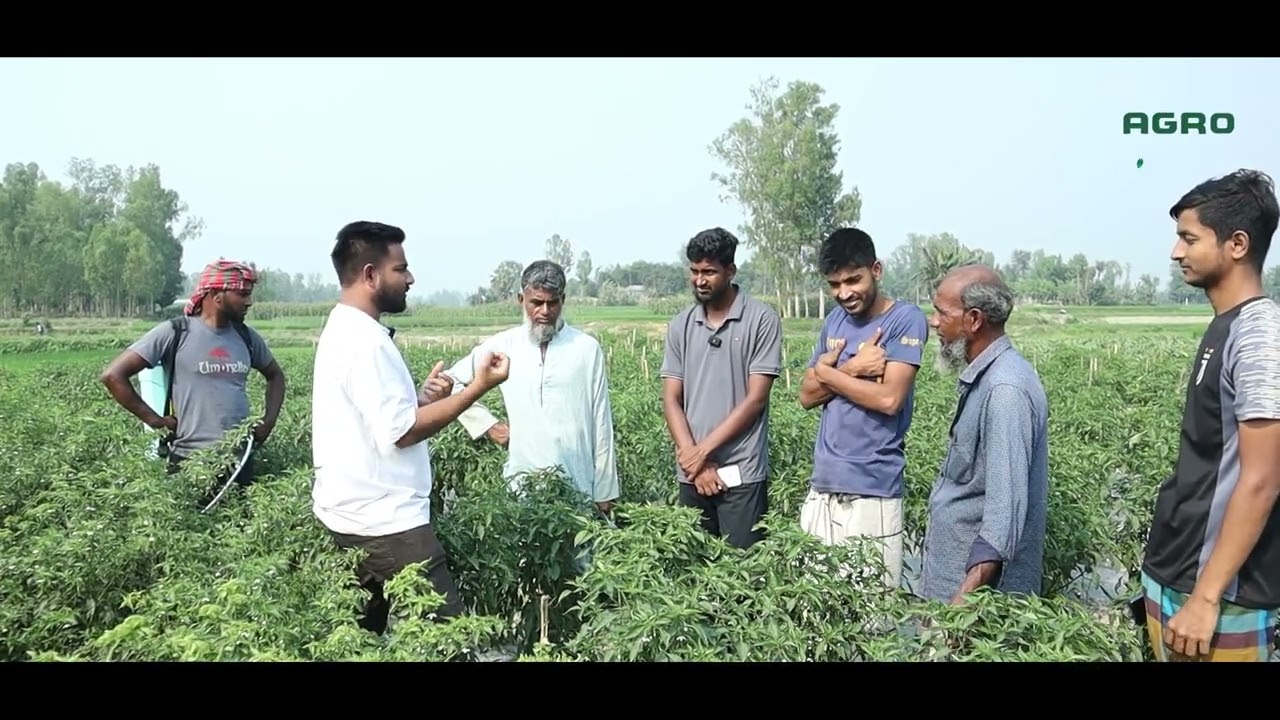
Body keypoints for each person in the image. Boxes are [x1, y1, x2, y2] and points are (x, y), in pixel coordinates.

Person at [310, 221, 510, 634]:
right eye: (401, 269)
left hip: (351, 517)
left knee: (358, 638)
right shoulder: (366, 342)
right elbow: (402, 432)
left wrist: (421, 400)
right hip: (388, 526)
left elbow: (380, 419)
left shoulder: (345, 328)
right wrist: (477, 388)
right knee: (450, 640)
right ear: (370, 275)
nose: (410, 278)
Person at [1139, 169, 1280, 663]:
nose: (1176, 252)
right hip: (1179, 576)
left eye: (1188, 238)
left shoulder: (1259, 336)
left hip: (1221, 599)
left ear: (1237, 244)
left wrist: (1205, 597)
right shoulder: (1225, 325)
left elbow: (1262, 480)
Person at [797, 228, 929, 589]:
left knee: (872, 619)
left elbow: (889, 399)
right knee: (814, 611)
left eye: (853, 280)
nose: (845, 293)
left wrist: (827, 373)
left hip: (873, 488)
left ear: (877, 270)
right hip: (823, 484)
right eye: (835, 284)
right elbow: (807, 396)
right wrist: (852, 369)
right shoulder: (834, 321)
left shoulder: (905, 320)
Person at [443, 260, 620, 514]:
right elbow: (450, 383)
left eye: (553, 302)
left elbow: (602, 422)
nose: (545, 311)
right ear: (521, 299)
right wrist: (489, 426)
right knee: (526, 549)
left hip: (579, 486)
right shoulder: (503, 345)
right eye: (536, 302)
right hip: (522, 484)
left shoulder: (586, 348)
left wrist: (605, 490)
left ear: (563, 299)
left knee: (579, 551)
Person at [100, 259, 285, 502]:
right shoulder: (175, 333)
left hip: (239, 459)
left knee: (236, 531)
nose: (248, 302)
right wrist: (155, 420)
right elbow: (113, 375)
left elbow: (276, 376)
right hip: (189, 459)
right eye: (242, 294)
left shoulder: (246, 337)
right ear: (216, 295)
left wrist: (268, 422)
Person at [919, 264, 1049, 605]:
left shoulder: (1005, 389)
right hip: (953, 592)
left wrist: (962, 609)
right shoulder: (989, 379)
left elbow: (1001, 521)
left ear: (974, 320)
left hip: (976, 613)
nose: (933, 322)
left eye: (941, 312)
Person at [659, 227, 783, 549]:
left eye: (709, 272)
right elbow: (672, 399)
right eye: (695, 271)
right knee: (694, 575)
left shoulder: (761, 320)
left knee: (743, 576)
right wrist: (694, 460)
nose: (700, 280)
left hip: (741, 473)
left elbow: (755, 399)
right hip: (691, 473)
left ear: (730, 271)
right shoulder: (681, 325)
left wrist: (701, 453)